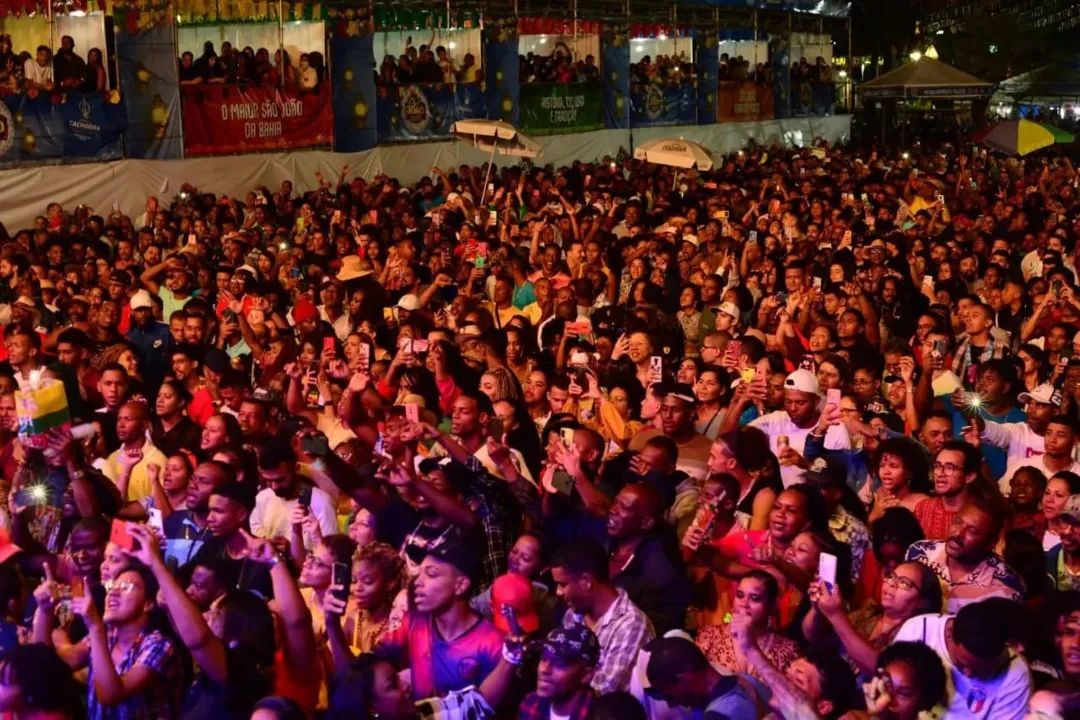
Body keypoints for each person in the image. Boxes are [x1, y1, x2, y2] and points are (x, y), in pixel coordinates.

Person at [373, 542, 504, 699]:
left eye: (431, 574)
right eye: (419, 572)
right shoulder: (415, 621)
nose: (417, 582)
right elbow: (367, 666)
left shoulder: (493, 644)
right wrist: (334, 624)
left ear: (461, 585)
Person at [893, 599, 1033, 719]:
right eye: (962, 663)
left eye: (982, 669)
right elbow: (890, 698)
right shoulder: (918, 630)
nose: (968, 674)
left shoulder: (1015, 672)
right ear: (949, 632)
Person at [906, 496, 1024, 612]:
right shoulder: (920, 552)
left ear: (990, 544)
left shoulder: (1006, 585)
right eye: (958, 522)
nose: (958, 533)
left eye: (972, 531)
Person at [643, 635, 758, 719]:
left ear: (686, 680)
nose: (671, 704)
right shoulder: (750, 682)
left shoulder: (717, 715)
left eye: (670, 696)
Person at [518, 623, 601, 719]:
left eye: (560, 662)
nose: (544, 669)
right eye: (543, 658)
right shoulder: (531, 703)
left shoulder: (598, 715)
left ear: (586, 675)